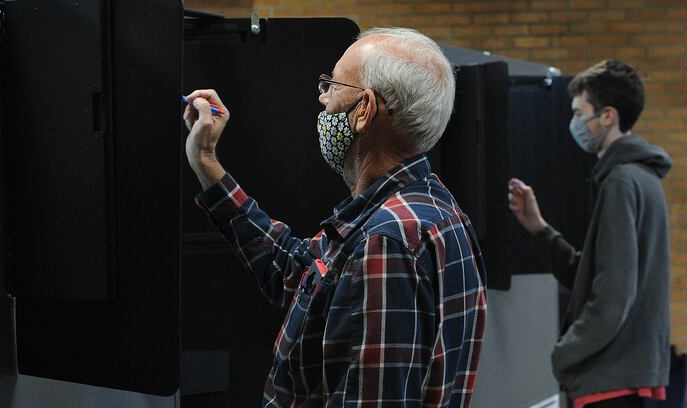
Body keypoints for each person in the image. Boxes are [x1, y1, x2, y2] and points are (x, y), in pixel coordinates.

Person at [184, 27, 487, 407]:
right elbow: (298, 273)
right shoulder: (429, 209)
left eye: (333, 84)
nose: (323, 97)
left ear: (364, 110)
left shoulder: (386, 240)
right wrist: (206, 162)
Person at [508, 60, 672, 408]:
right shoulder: (643, 177)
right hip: (629, 376)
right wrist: (539, 229)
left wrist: (565, 352)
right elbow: (597, 274)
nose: (575, 123)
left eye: (579, 113)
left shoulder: (621, 181)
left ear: (608, 115)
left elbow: (613, 294)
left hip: (610, 380)